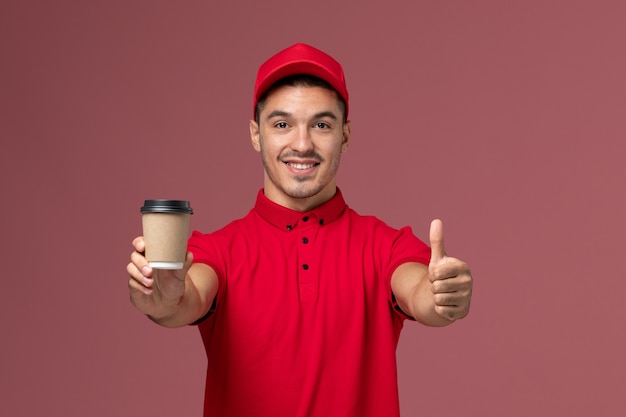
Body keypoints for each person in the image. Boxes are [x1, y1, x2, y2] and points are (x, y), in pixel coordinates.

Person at [127, 43, 473, 417]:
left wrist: (442, 296)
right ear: (256, 134)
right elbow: (183, 298)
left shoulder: (386, 246)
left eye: (321, 125)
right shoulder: (218, 251)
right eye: (282, 124)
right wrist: (162, 295)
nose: (303, 144)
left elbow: (421, 293)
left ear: (345, 135)